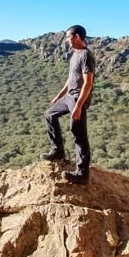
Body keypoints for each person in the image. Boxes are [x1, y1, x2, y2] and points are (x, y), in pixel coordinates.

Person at [40, 24, 95, 184]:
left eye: (69, 37)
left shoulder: (86, 55)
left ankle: (82, 174)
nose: (67, 41)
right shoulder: (75, 54)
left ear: (77, 37)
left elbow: (88, 83)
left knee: (78, 134)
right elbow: (71, 79)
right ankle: (58, 151)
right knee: (49, 114)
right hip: (69, 96)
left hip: (78, 98)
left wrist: (78, 106)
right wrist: (59, 95)